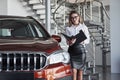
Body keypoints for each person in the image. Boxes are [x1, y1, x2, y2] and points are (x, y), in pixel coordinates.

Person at [65, 11, 90, 80]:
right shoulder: (68, 28)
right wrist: (70, 42)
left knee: (80, 72)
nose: (74, 19)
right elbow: (68, 42)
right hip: (72, 51)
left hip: (81, 51)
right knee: (73, 71)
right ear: (70, 19)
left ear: (79, 17)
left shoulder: (84, 27)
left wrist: (81, 40)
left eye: (75, 17)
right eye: (72, 18)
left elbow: (88, 40)